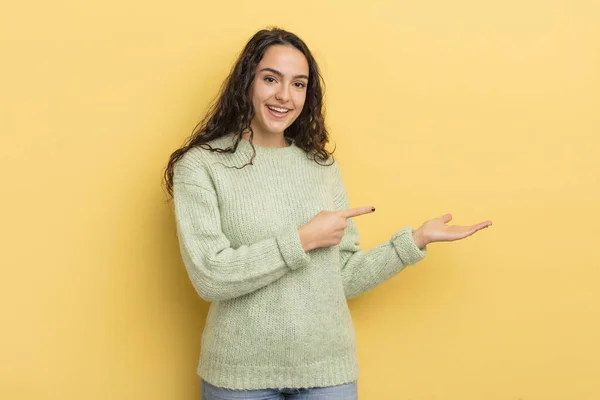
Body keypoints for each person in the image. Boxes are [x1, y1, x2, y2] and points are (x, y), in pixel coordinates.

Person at [162, 27, 492, 400]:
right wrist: (303, 240)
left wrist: (414, 241)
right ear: (246, 83)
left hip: (328, 374)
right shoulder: (202, 166)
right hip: (240, 377)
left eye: (299, 84)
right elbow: (211, 276)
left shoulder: (321, 166)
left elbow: (344, 277)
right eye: (271, 79)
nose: (284, 96)